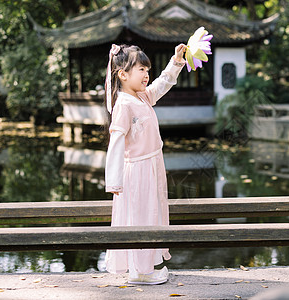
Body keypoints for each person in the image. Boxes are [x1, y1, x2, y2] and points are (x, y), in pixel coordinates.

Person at [104, 43, 186, 284]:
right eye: (141, 69)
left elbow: (162, 83)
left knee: (151, 213)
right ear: (123, 74)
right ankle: (140, 271)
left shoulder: (141, 97)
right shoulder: (124, 105)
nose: (146, 74)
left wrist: (176, 62)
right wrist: (114, 180)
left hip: (152, 166)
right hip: (137, 171)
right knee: (139, 215)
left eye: (147, 69)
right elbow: (116, 143)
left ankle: (145, 266)